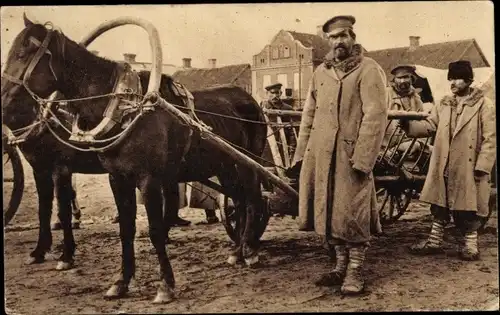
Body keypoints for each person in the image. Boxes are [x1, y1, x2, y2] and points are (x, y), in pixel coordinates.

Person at [291, 15, 388, 295]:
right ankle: (339, 266)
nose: (339, 42)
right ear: (328, 41)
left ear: (353, 38)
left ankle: (355, 272)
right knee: (330, 210)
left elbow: (375, 114)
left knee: (352, 212)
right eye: (333, 38)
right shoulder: (321, 72)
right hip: (321, 155)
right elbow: (309, 114)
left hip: (350, 155)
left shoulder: (368, 69)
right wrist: (302, 155)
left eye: (344, 36)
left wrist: (363, 158)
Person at [400, 60, 496, 260]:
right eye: (451, 78)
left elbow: (491, 138)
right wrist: (407, 124)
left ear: (469, 80)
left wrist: (483, 166)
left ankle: (471, 245)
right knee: (439, 203)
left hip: (468, 166)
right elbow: (430, 125)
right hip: (444, 163)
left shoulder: (484, 105)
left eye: (458, 78)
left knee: (469, 206)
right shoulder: (444, 103)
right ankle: (434, 241)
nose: (453, 82)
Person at [383, 64, 426, 158]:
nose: (402, 81)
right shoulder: (385, 94)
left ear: (411, 78)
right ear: (394, 80)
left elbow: (422, 124)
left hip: (407, 144)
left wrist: (418, 143)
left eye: (406, 77)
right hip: (385, 146)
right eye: (399, 78)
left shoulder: (416, 98)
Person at [261, 83, 297, 158]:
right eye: (272, 92)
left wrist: (292, 148)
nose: (275, 96)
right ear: (267, 93)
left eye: (277, 93)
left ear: (280, 93)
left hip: (284, 146)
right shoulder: (262, 108)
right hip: (267, 146)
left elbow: (292, 131)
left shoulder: (288, 109)